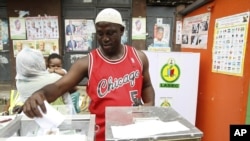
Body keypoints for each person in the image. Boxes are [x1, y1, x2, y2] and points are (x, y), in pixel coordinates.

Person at [22, 8, 155, 141]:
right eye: (100, 34)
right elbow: (59, 87)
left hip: (134, 132)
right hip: (102, 135)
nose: (105, 39)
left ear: (121, 31)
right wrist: (40, 94)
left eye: (110, 33)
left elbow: (147, 85)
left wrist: (149, 104)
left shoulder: (139, 57)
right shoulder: (87, 63)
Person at [16, 47, 75, 115]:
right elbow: (70, 96)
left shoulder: (19, 83)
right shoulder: (56, 79)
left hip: (33, 118)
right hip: (58, 117)